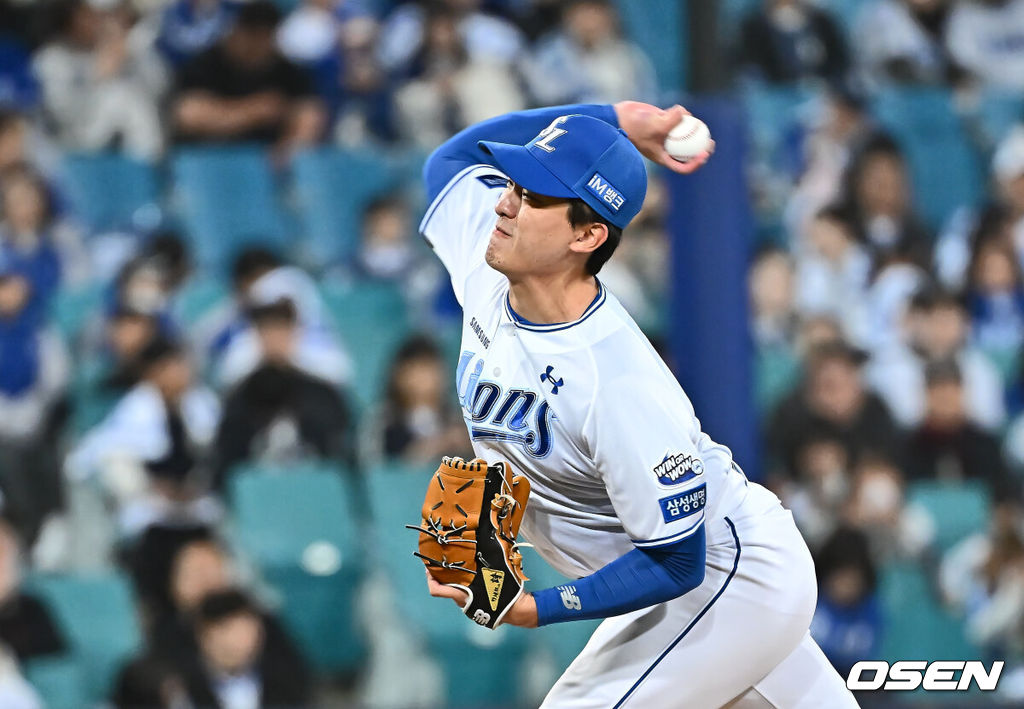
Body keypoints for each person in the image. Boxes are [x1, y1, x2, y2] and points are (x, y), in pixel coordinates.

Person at [417, 101, 856, 706]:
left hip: (729, 578)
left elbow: (677, 563)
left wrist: (537, 608)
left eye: (533, 197)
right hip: (689, 590)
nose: (504, 205)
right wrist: (618, 118)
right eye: (512, 185)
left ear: (587, 235)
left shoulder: (616, 381)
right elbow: (450, 161)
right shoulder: (488, 261)